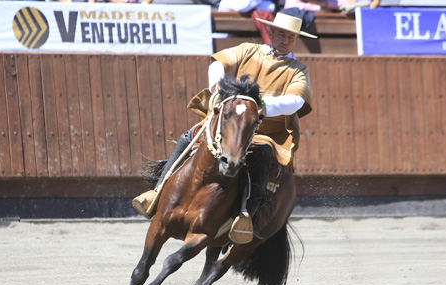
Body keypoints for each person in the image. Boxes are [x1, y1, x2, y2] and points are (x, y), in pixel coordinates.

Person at [132, 12, 315, 244]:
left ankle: (245, 215)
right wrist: (217, 86)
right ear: (270, 32)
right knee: (189, 136)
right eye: (281, 33)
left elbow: (296, 101)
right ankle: (156, 192)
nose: (285, 40)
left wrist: (258, 106)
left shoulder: (299, 69)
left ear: (296, 40)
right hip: (229, 124)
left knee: (264, 155)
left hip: (265, 132)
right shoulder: (248, 49)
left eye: (291, 36)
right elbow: (219, 62)